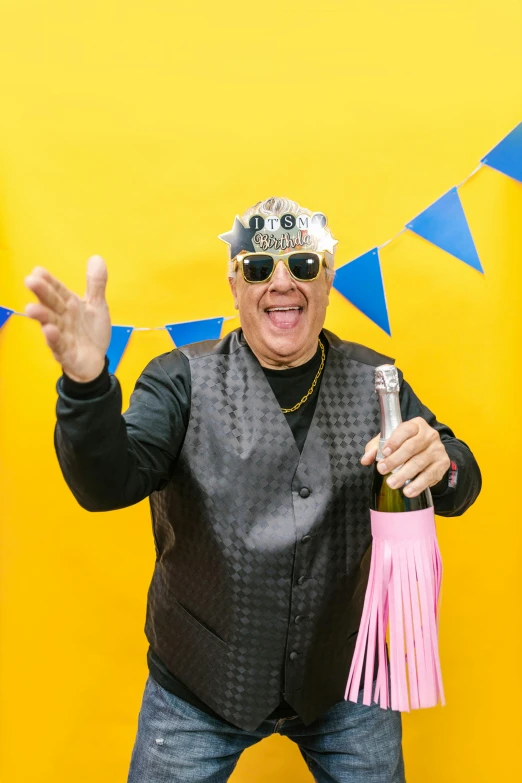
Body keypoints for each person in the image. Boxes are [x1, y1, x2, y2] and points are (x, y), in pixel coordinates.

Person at [24, 196, 481, 783]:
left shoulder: (379, 381)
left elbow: (457, 480)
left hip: (344, 677)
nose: (282, 283)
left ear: (329, 278)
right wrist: (87, 388)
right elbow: (108, 483)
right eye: (260, 267)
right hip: (201, 683)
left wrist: (443, 465)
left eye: (304, 265)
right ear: (236, 283)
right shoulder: (177, 379)